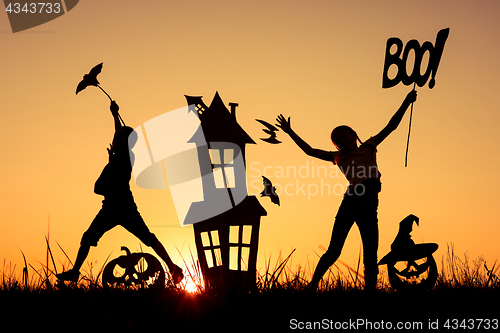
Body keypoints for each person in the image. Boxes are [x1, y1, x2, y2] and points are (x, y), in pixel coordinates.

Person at [276, 89, 417, 291]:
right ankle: (312, 286)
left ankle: (370, 292)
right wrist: (290, 132)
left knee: (370, 253)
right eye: (338, 141)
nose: (342, 141)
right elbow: (309, 151)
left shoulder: (368, 146)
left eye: (344, 136)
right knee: (334, 250)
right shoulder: (337, 157)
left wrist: (406, 101)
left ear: (354, 135)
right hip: (351, 202)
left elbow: (391, 126)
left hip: (369, 206)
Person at [57, 101, 184, 285]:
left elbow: (122, 138)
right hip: (109, 208)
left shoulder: (126, 158)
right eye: (115, 139)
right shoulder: (115, 160)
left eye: (119, 140)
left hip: (125, 208)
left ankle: (172, 267)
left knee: (147, 237)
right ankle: (75, 272)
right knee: (88, 237)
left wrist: (115, 115)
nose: (115, 141)